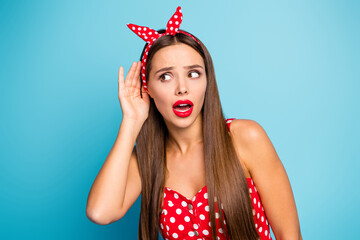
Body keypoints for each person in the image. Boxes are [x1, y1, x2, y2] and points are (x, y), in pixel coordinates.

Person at [86, 6, 302, 240]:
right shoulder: (147, 160)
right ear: (146, 87)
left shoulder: (245, 137)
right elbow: (100, 213)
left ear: (208, 80)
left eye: (193, 73)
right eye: (165, 76)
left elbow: (289, 235)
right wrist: (131, 120)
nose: (182, 88)